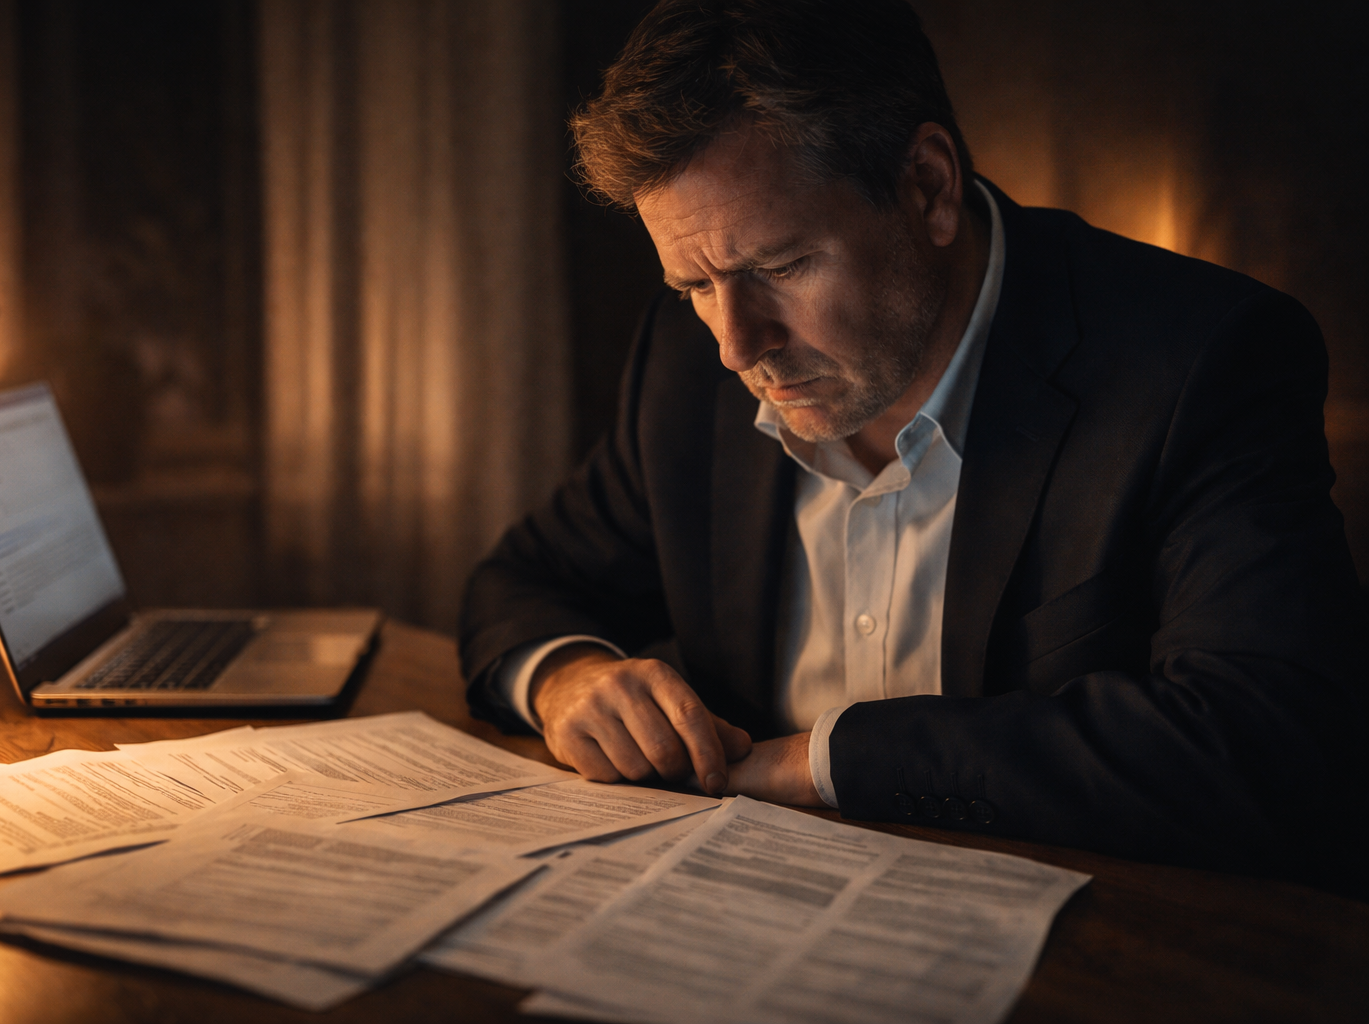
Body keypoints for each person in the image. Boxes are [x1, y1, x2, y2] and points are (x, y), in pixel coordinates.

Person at [458, 0, 1364, 883]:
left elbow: (1268, 742)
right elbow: (524, 580)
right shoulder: (685, 361)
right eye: (694, 282)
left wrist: (824, 764)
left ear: (928, 186)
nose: (737, 345)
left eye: (779, 267)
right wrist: (567, 677)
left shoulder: (1200, 359)